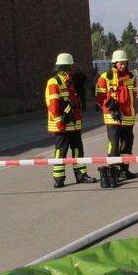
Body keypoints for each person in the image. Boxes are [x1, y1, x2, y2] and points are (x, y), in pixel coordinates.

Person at [46, 53, 96, 188]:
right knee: (61, 151)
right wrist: (58, 121)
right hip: (62, 123)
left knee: (78, 150)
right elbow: (52, 104)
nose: (72, 69)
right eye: (70, 67)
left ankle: (81, 175)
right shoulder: (54, 81)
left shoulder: (69, 81)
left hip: (73, 122)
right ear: (67, 67)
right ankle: (58, 178)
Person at [96, 49, 138, 185]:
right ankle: (113, 171)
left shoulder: (131, 77)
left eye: (125, 63)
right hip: (113, 117)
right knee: (114, 144)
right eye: (120, 63)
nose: (123, 66)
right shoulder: (106, 77)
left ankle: (125, 170)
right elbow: (99, 97)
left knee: (127, 144)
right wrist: (110, 109)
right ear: (114, 63)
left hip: (128, 116)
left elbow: (134, 96)